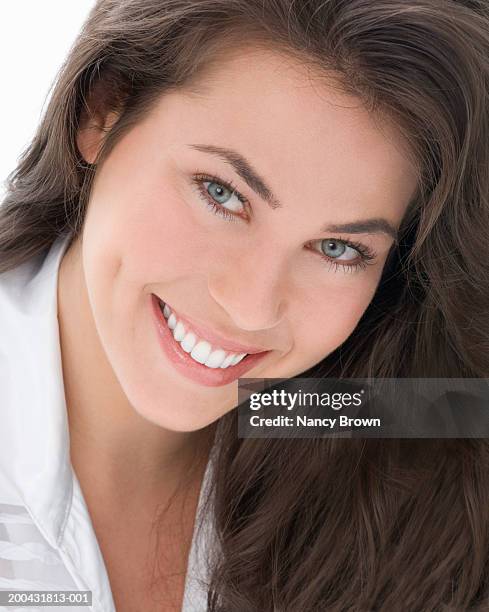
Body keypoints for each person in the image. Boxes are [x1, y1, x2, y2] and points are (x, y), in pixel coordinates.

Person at [0, 0, 488, 610]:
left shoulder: (346, 412)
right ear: (103, 111)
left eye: (337, 248)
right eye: (222, 193)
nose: (252, 307)